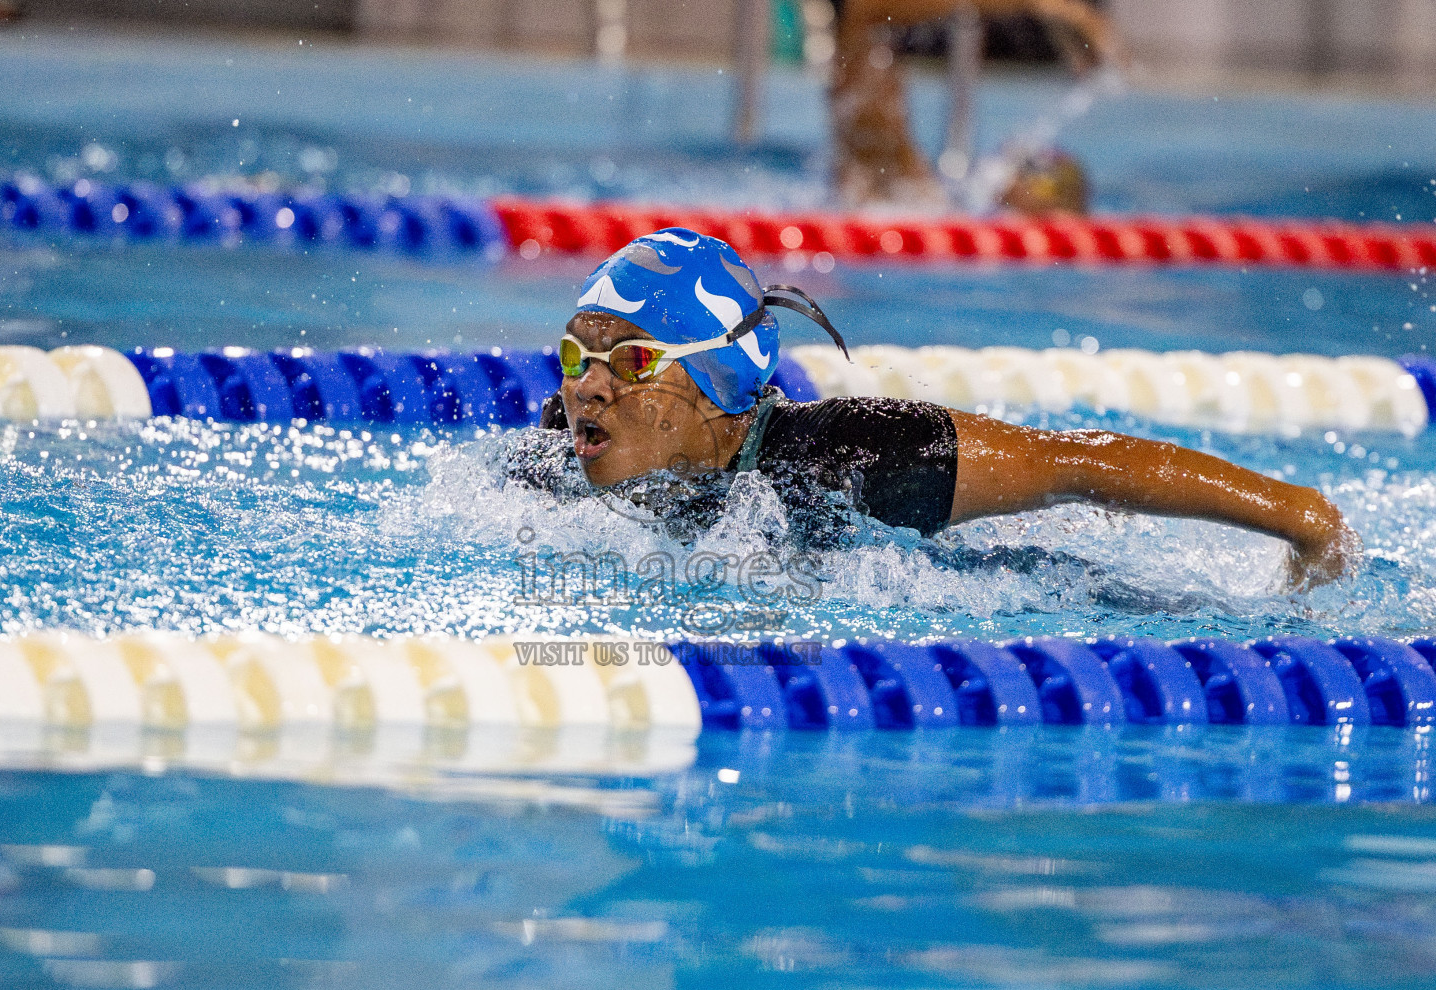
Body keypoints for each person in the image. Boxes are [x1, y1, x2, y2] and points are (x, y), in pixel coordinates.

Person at [512, 229, 1356, 590]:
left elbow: (1079, 464)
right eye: (576, 359)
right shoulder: (560, 456)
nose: (585, 388)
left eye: (629, 363)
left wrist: (1299, 516)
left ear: (717, 379)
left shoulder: (859, 455)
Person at [830, 0, 1122, 210]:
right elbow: (866, 9)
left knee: (1060, 182)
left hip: (902, 201)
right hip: (880, 207)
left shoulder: (868, 49)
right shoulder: (860, 35)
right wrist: (1044, 6)